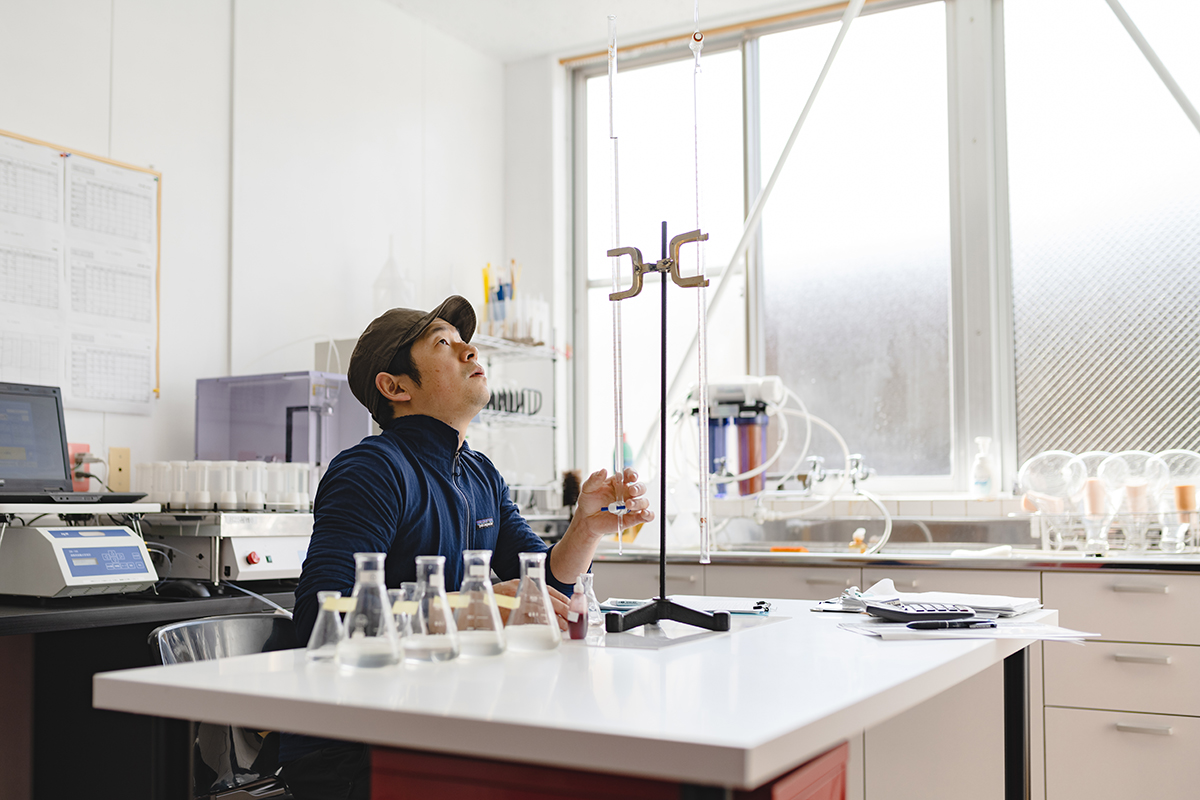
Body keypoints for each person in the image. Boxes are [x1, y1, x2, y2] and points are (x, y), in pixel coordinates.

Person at [279, 295, 651, 800]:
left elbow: (544, 586)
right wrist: (479, 608)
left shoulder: (478, 472)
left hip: (442, 724)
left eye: (463, 342)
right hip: (356, 748)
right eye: (444, 344)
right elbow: (322, 615)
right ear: (395, 387)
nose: (470, 350)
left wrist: (585, 529)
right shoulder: (371, 470)